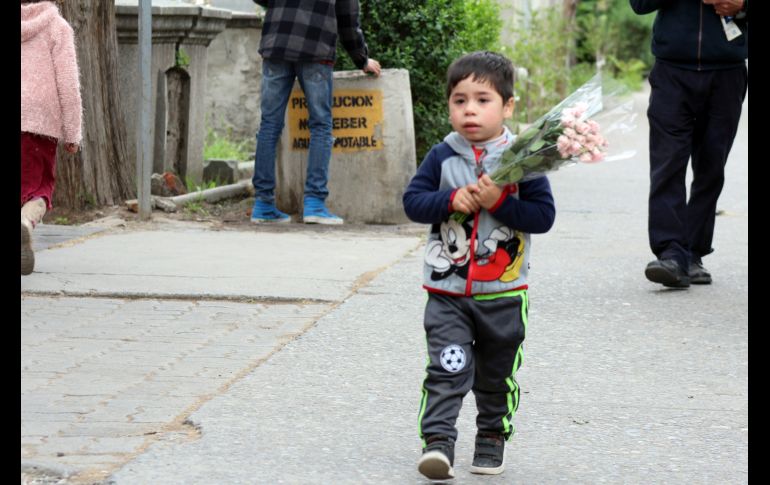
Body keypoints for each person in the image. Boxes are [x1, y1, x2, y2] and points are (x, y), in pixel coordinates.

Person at [402, 51, 555, 480]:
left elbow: (543, 217)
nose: (469, 109)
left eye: (482, 99)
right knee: (446, 368)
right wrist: (450, 200)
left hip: (504, 296)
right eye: (459, 100)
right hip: (447, 292)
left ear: (507, 106)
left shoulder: (524, 160)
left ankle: (491, 436)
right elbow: (413, 203)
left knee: (495, 373)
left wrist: (500, 203)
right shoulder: (442, 156)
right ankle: (438, 443)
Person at [630, 0, 748, 288]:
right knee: (667, 163)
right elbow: (639, 4)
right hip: (672, 71)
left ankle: (693, 252)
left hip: (727, 71)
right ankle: (671, 253)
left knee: (711, 166)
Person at [250, 0, 381, 224]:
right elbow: (348, 20)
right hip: (315, 48)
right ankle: (314, 204)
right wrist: (361, 59)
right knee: (320, 125)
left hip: (277, 45)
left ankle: (263, 204)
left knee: (269, 125)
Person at [21, 0, 82, 275]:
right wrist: (72, 132)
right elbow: (68, 84)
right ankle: (24, 222)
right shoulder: (57, 27)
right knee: (39, 188)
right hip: (39, 124)